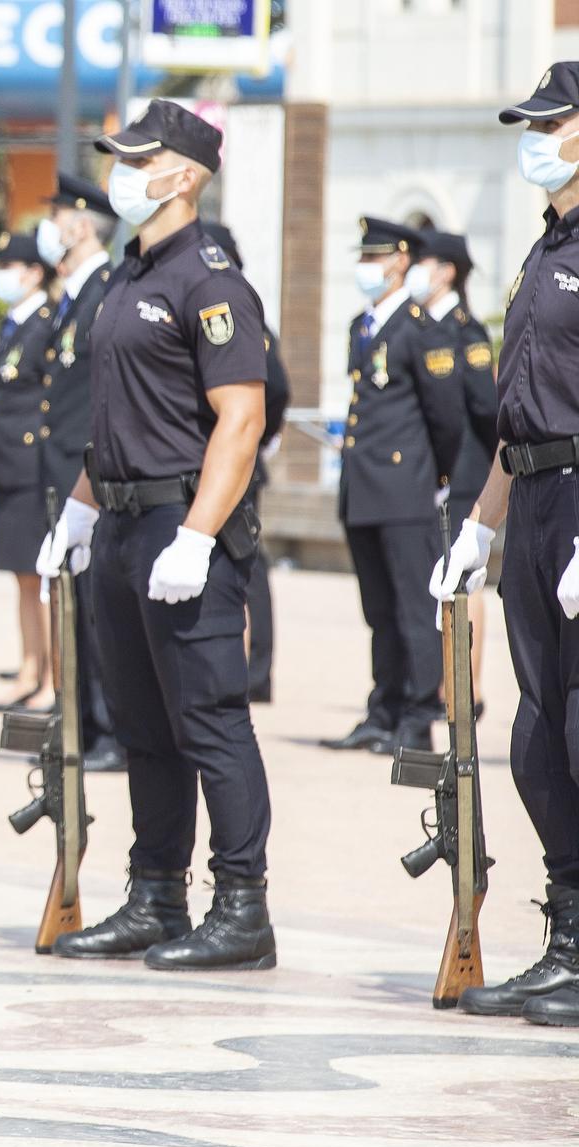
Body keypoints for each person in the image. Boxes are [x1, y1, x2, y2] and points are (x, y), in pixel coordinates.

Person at [36, 101, 277, 969]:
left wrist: (200, 535)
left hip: (184, 526)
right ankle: (156, 895)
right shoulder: (127, 274)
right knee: (141, 723)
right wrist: (79, 510)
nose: (121, 173)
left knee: (211, 721)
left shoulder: (208, 278)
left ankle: (242, 906)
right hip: (124, 522)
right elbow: (116, 418)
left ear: (183, 175)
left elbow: (240, 419)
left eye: (138, 160)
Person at [432, 63, 579, 1025]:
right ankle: (567, 938)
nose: (534, 135)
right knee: (534, 739)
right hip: (530, 496)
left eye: (551, 121)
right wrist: (479, 525)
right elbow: (513, 417)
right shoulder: (542, 250)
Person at [320, 218, 466, 757]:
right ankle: (382, 710)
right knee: (378, 609)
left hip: (405, 489)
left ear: (401, 261)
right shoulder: (362, 324)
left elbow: (446, 417)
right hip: (363, 487)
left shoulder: (421, 327)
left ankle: (418, 716)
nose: (367, 267)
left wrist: (436, 478)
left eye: (376, 257)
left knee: (412, 608)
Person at [37, 173, 124, 768]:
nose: (50, 227)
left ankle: (108, 728)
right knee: (72, 604)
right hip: (63, 471)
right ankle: (82, 722)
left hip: (86, 475)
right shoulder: (75, 293)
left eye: (59, 215)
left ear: (83, 225)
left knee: (95, 610)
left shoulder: (105, 292)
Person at [201, 223, 292, 706]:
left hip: (237, 464)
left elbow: (274, 389)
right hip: (205, 464)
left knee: (246, 564)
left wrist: (258, 437)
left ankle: (256, 671)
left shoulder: (241, 315)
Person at [413, 228, 499, 706]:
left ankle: (468, 686)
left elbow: (487, 407)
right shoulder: (421, 324)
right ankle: (445, 679)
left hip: (466, 466)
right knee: (441, 576)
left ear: (447, 271)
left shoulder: (464, 328)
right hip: (435, 468)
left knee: (463, 576)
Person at [0, 229, 57, 710]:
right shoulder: (12, 323)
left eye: (11, 267)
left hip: (34, 464)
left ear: (33, 273)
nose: (3, 275)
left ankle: (53, 676)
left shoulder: (45, 323)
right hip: (8, 461)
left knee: (43, 578)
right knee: (22, 577)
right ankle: (30, 666)